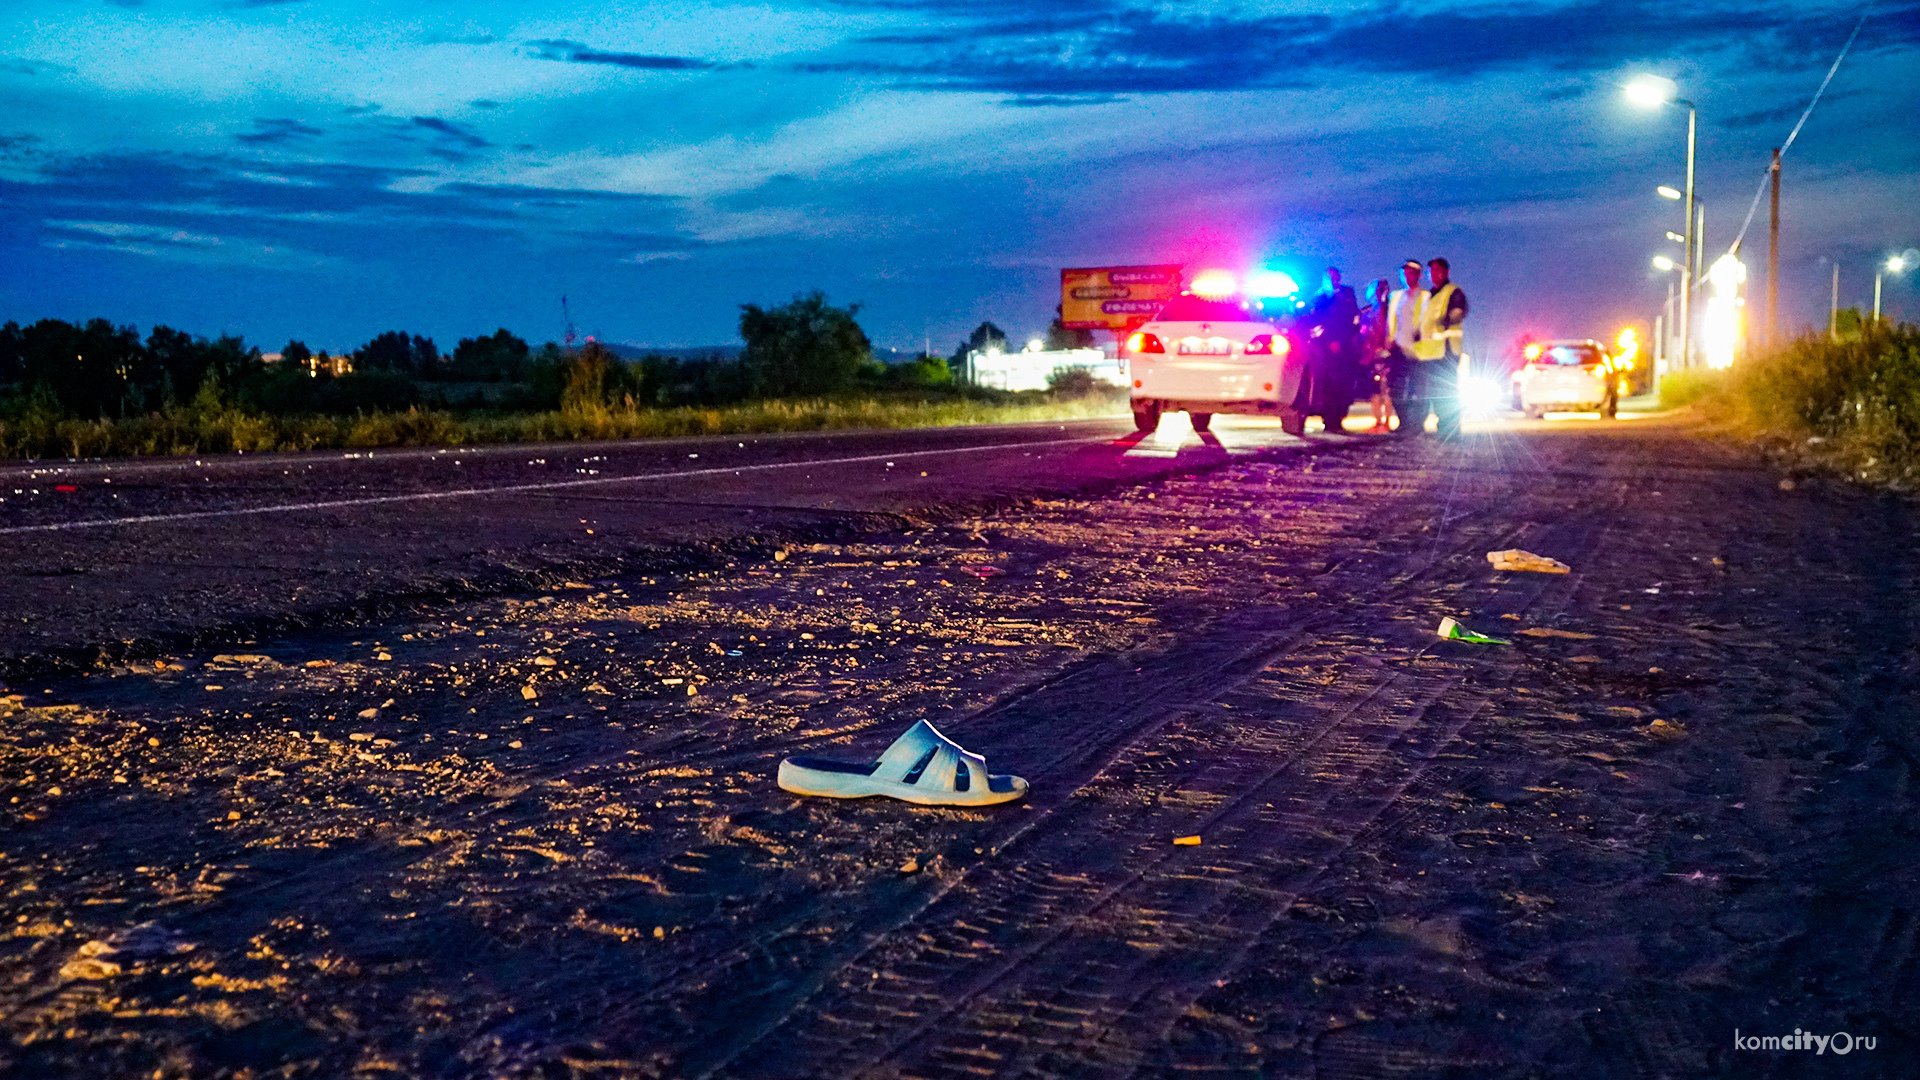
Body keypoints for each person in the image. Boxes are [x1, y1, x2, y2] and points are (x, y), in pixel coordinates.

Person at [1304, 266, 1362, 433]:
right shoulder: (1318, 298)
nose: (1333, 281)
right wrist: (1329, 340)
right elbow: (1317, 320)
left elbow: (1352, 317)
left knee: (1344, 383)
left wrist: (1347, 339)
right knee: (1328, 384)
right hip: (1325, 347)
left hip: (1345, 344)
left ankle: (1340, 416)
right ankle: (1329, 419)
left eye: (1335, 278)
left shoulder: (1347, 293)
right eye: (1330, 278)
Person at [1384, 260, 1426, 436]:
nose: (1407, 277)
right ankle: (1402, 421)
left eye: (1411, 273)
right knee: (1396, 386)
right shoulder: (1396, 296)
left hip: (1417, 348)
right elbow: (1390, 319)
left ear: (1418, 275)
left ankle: (1417, 423)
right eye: (1404, 273)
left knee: (1418, 387)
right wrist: (1389, 339)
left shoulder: (1425, 296)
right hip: (1398, 347)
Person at [1358, 278, 1395, 432]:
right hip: (1371, 355)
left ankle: (1385, 422)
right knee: (1376, 391)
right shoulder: (1367, 312)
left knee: (1385, 390)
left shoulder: (1388, 310)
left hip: (1384, 354)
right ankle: (1380, 421)